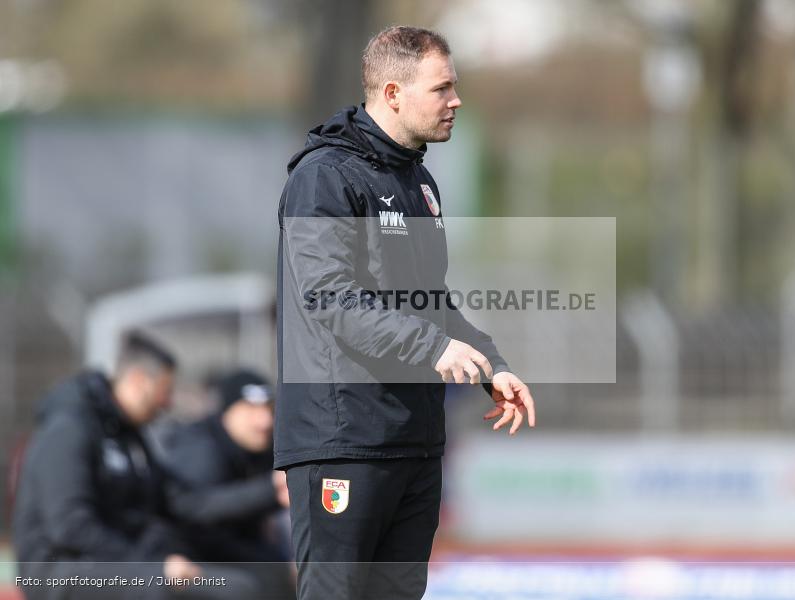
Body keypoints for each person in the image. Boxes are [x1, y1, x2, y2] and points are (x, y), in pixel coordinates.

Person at [276, 26, 537, 600]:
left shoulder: (419, 182)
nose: (456, 101)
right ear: (393, 93)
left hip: (414, 439)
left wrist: (491, 364)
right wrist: (433, 348)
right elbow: (330, 296)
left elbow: (430, 301)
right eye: (442, 88)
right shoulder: (324, 177)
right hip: (344, 439)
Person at [13, 332, 290, 600]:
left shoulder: (129, 436)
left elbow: (186, 501)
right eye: (164, 391)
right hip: (60, 571)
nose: (167, 403)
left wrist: (271, 489)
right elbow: (70, 527)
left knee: (240, 587)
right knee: (162, 589)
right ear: (138, 380)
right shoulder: (69, 429)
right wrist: (151, 565)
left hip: (123, 563)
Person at [163, 369, 294, 597]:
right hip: (185, 558)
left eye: (269, 409)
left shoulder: (260, 448)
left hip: (230, 552)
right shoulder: (200, 447)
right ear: (227, 411)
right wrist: (271, 489)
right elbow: (194, 508)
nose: (264, 420)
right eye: (251, 409)